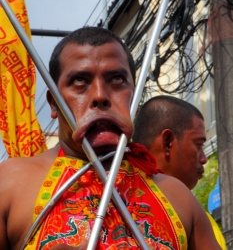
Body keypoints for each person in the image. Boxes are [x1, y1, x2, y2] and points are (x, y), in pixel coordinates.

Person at [0, 27, 221, 250]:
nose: (100, 96)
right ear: (53, 103)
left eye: (116, 79)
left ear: (134, 96)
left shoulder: (177, 196)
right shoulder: (10, 184)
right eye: (79, 81)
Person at [133, 95, 227, 249]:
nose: (204, 159)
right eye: (198, 145)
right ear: (167, 143)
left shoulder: (195, 214)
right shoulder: (111, 194)